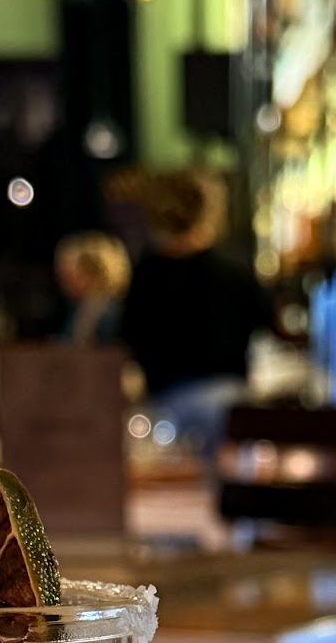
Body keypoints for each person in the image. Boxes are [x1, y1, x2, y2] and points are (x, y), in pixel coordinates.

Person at [119, 171, 274, 447]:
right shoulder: (234, 273)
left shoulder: (145, 277)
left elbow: (129, 343)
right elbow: (266, 331)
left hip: (166, 408)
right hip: (230, 406)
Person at [53, 233, 131, 346]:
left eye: (69, 275)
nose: (62, 281)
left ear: (97, 273)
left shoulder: (112, 315)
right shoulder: (78, 308)